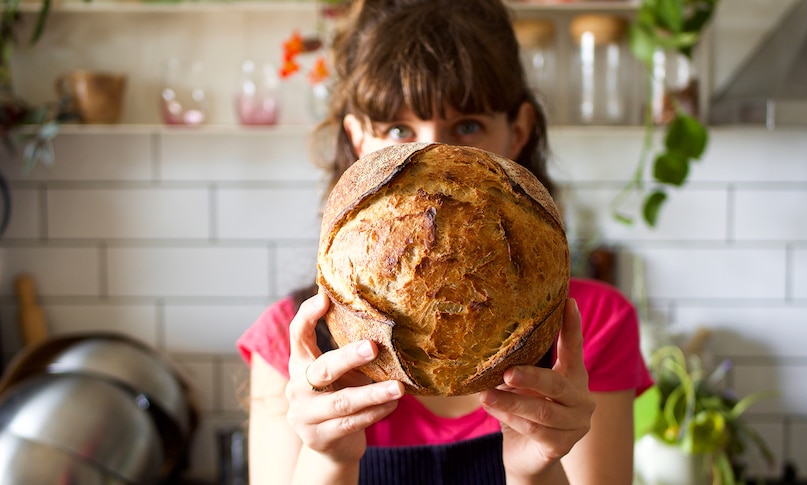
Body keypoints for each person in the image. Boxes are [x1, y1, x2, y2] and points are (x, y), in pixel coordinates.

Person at [237, 0, 653, 483]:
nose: (431, 150)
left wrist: (534, 471)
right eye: (397, 130)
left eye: (468, 126)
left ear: (518, 131)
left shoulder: (584, 330)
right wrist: (329, 460)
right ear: (356, 140)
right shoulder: (291, 347)